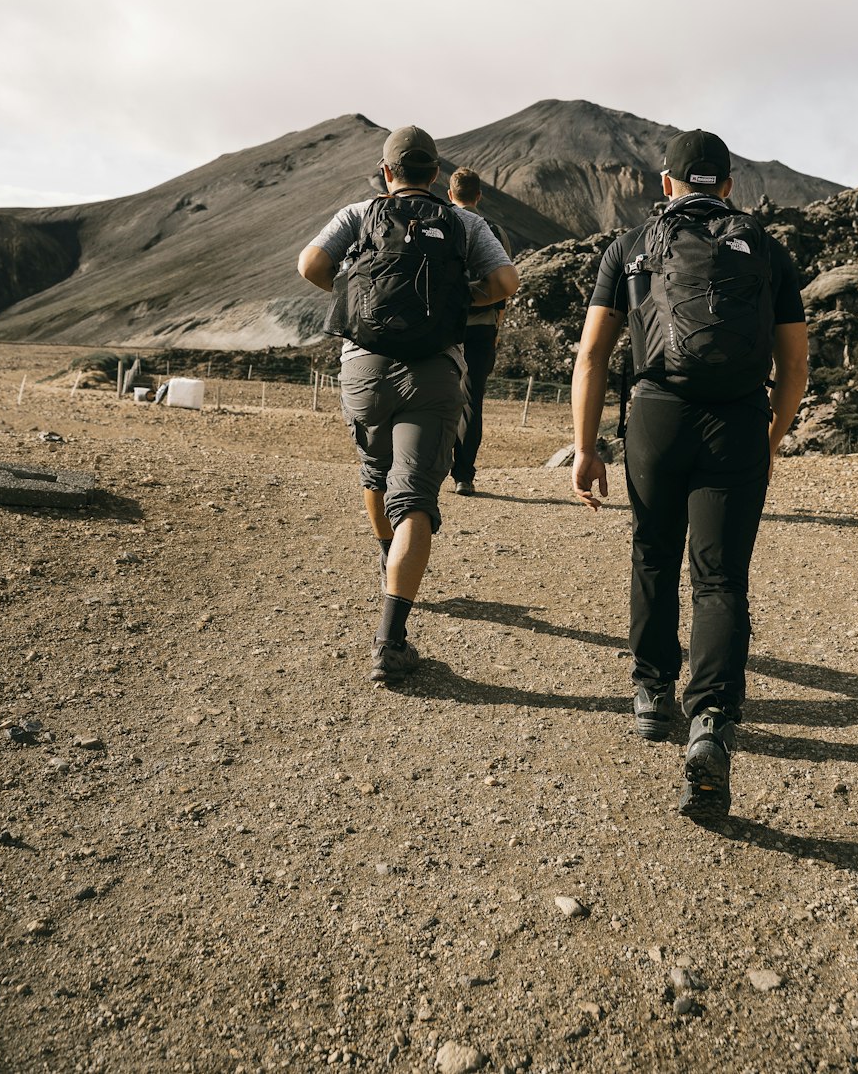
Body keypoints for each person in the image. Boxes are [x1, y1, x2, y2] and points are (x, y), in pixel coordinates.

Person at [570, 129, 808, 819]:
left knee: (652, 551)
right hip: (736, 419)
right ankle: (709, 725)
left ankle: (651, 693)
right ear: (728, 187)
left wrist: (586, 447)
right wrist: (772, 435)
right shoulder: (766, 248)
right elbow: (794, 366)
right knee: (721, 577)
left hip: (655, 416)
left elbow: (590, 356)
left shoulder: (630, 246)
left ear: (666, 184)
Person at [297, 125, 519, 684]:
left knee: (376, 471)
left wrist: (356, 294)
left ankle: (385, 554)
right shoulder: (464, 221)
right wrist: (455, 299)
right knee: (416, 497)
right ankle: (391, 642)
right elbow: (505, 280)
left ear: (387, 171)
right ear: (436, 175)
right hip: (435, 372)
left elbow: (310, 266)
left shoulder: (359, 214)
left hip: (363, 367)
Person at [447, 166, 513, 496]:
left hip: (444, 327)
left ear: (450, 194)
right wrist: (497, 323)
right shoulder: (494, 230)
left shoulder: (441, 224)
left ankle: (430, 466)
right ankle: (464, 475)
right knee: (472, 401)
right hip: (483, 326)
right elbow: (503, 282)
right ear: (479, 195)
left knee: (437, 394)